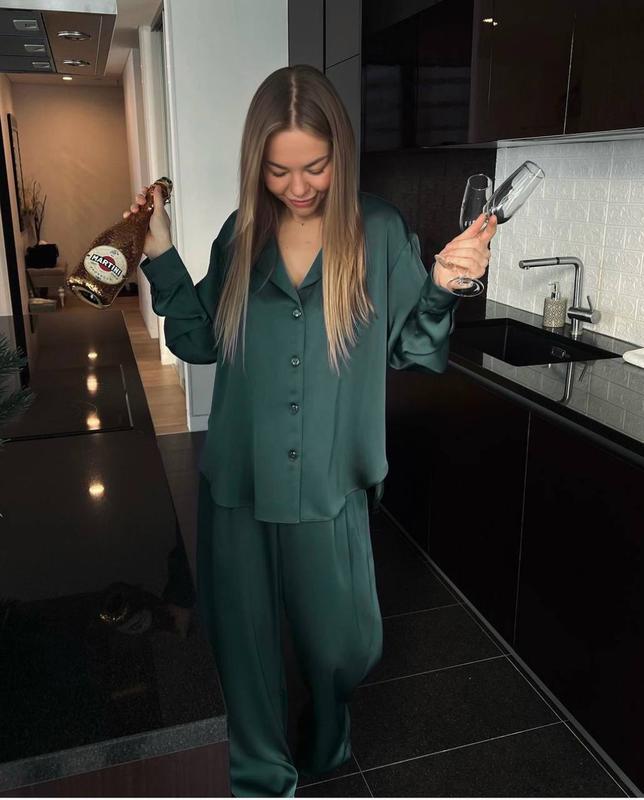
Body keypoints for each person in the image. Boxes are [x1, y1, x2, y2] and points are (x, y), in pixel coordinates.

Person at [125, 64, 497, 798]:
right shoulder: (241, 233)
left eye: (315, 167)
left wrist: (443, 288)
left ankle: (328, 733)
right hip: (240, 478)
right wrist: (159, 249)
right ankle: (262, 778)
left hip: (332, 481)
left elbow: (413, 351)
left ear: (341, 154)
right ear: (256, 164)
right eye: (278, 170)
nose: (297, 187)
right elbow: (197, 339)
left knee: (344, 643)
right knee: (245, 649)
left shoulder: (379, 230)